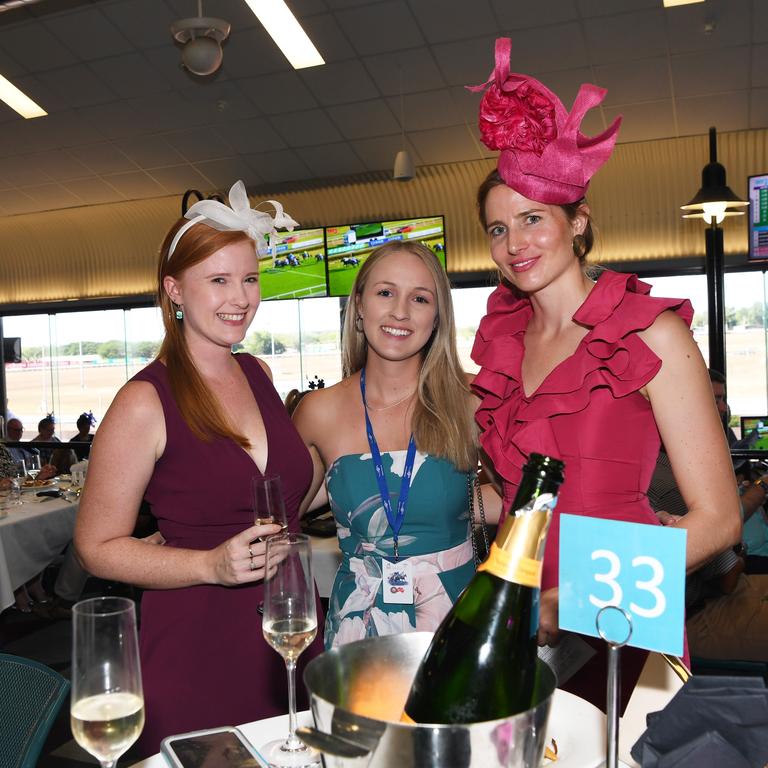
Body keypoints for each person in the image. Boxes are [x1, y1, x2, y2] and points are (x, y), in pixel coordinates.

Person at [469, 38, 740, 706]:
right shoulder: (505, 343)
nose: (515, 243)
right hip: (524, 614)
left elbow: (719, 521)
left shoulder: (649, 330)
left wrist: (572, 601)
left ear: (578, 221)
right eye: (498, 229)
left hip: (621, 614)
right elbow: (512, 499)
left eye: (533, 219)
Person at [74, 180, 321, 755]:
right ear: (174, 289)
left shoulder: (257, 372)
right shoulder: (145, 400)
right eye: (218, 280)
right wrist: (210, 563)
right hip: (196, 638)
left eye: (250, 278)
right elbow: (96, 546)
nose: (241, 297)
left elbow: (279, 495)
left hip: (285, 630)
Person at [294, 241, 499, 649]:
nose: (400, 311)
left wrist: (458, 502)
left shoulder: (473, 400)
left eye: (420, 298)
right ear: (359, 306)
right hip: (357, 623)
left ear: (437, 317)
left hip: (454, 618)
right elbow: (282, 513)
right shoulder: (317, 411)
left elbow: (520, 496)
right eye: (385, 292)